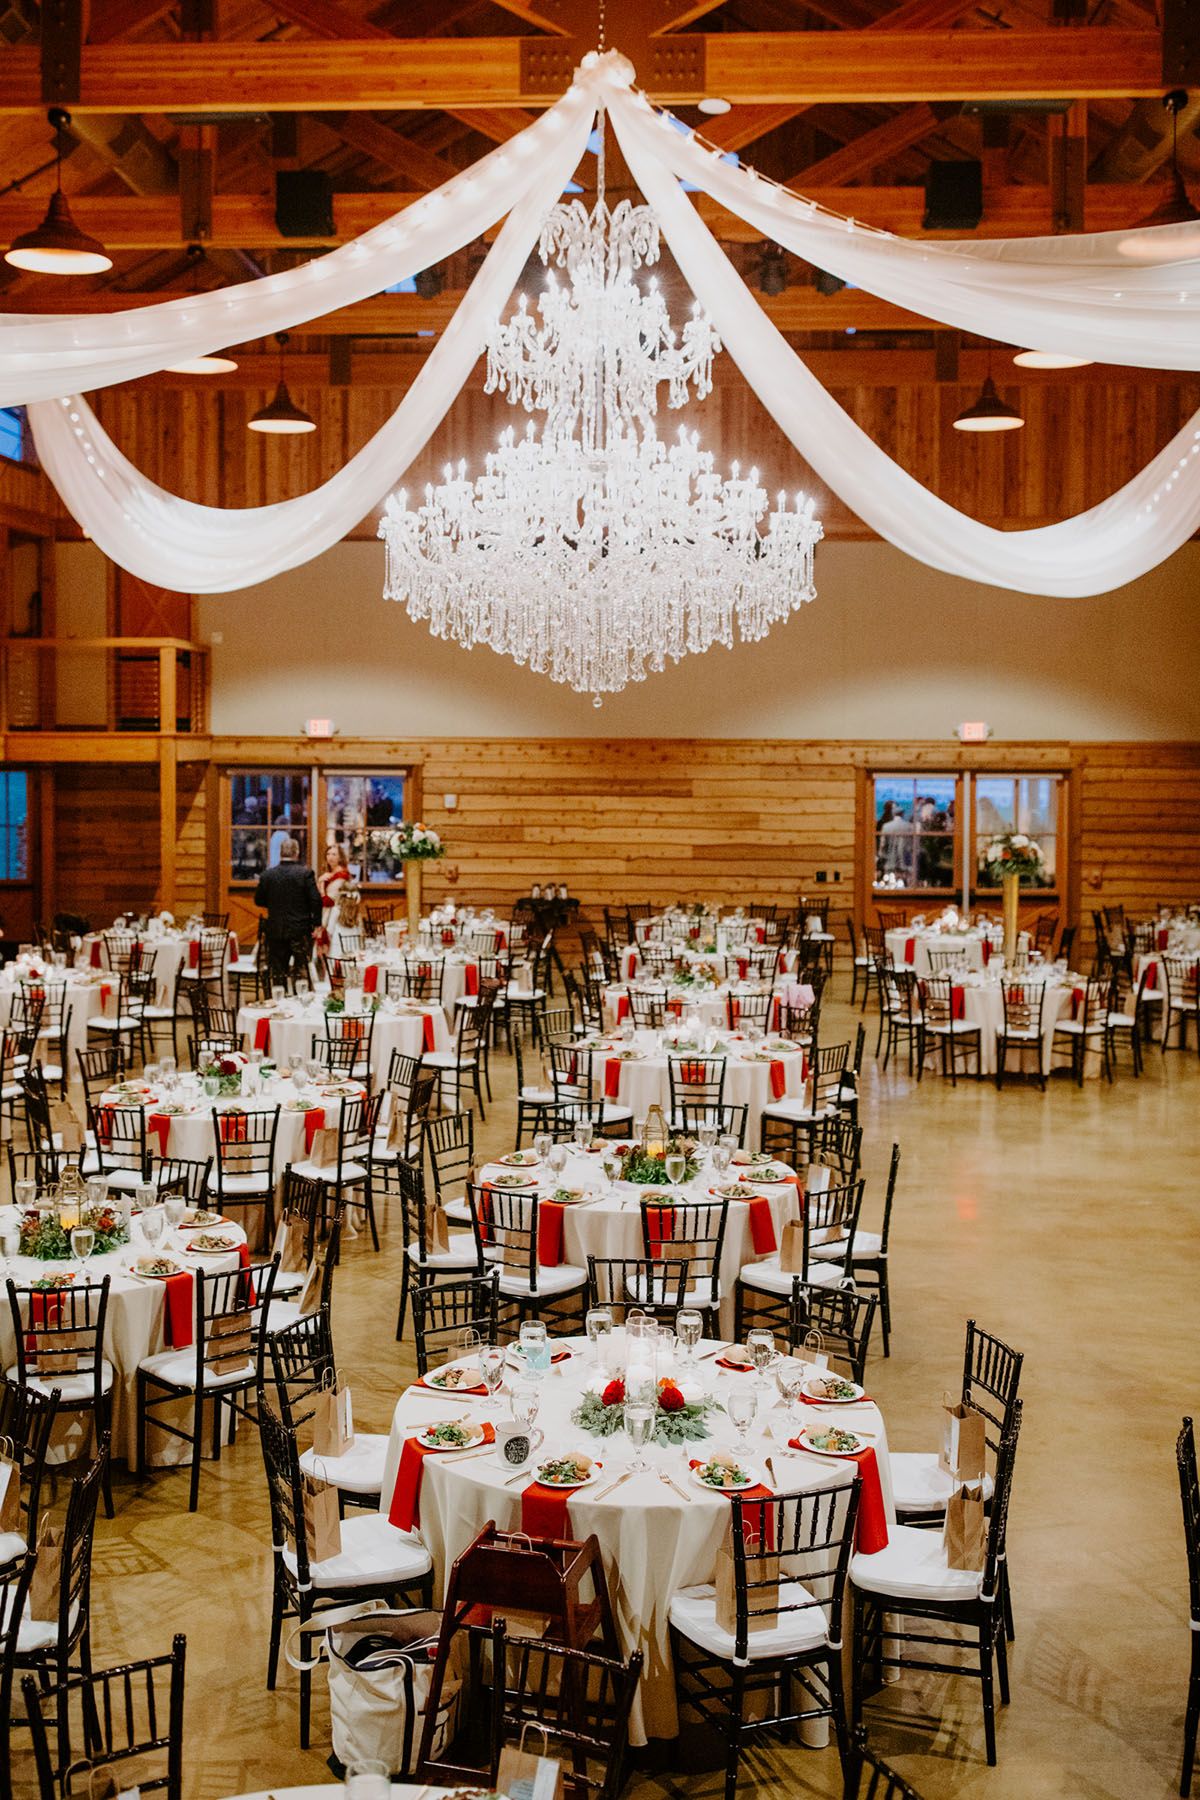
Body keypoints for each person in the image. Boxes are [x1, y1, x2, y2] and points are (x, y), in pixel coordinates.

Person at [254, 837, 321, 988]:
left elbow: (258, 900)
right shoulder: (305, 874)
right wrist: (317, 923)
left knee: (278, 971)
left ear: (280, 853)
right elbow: (316, 900)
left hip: (276, 929)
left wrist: (273, 905)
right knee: (301, 970)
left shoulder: (268, 875)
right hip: (300, 929)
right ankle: (302, 1002)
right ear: (297, 852)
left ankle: (280, 1003)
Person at [316, 841, 350, 945]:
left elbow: (329, 901)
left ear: (340, 857)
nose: (330, 857)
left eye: (334, 854)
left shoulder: (341, 876)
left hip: (335, 916)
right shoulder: (329, 874)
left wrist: (321, 885)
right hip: (327, 913)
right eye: (328, 854)